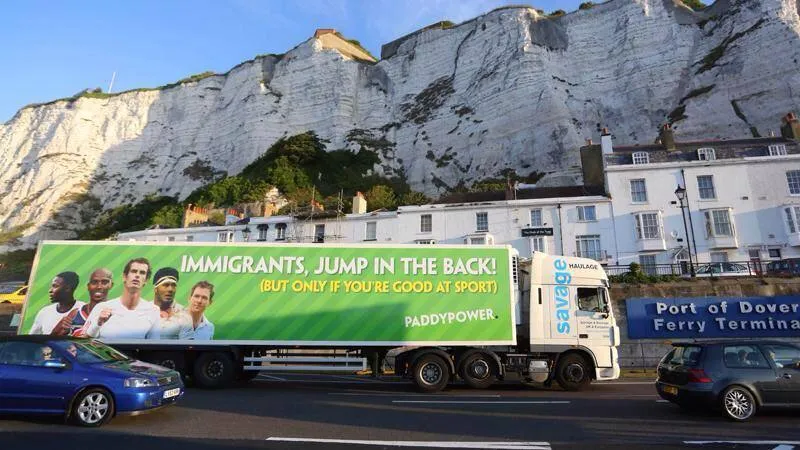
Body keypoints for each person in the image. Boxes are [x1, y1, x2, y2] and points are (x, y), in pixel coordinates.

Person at [84, 258, 160, 340]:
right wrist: (98, 323)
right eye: (133, 271)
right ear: (124, 277)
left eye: (142, 273)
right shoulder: (102, 307)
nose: (137, 275)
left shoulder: (153, 310)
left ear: (146, 280)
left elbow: (154, 345)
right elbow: (83, 341)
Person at [63, 268, 113, 337]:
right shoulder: (75, 313)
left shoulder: (115, 312)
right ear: (88, 286)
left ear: (111, 285)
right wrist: (64, 331)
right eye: (94, 282)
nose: (99, 286)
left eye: (104, 282)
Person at [152, 267, 184, 339]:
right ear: (156, 289)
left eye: (173, 285)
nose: (170, 289)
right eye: (166, 285)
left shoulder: (183, 313)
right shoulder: (144, 310)